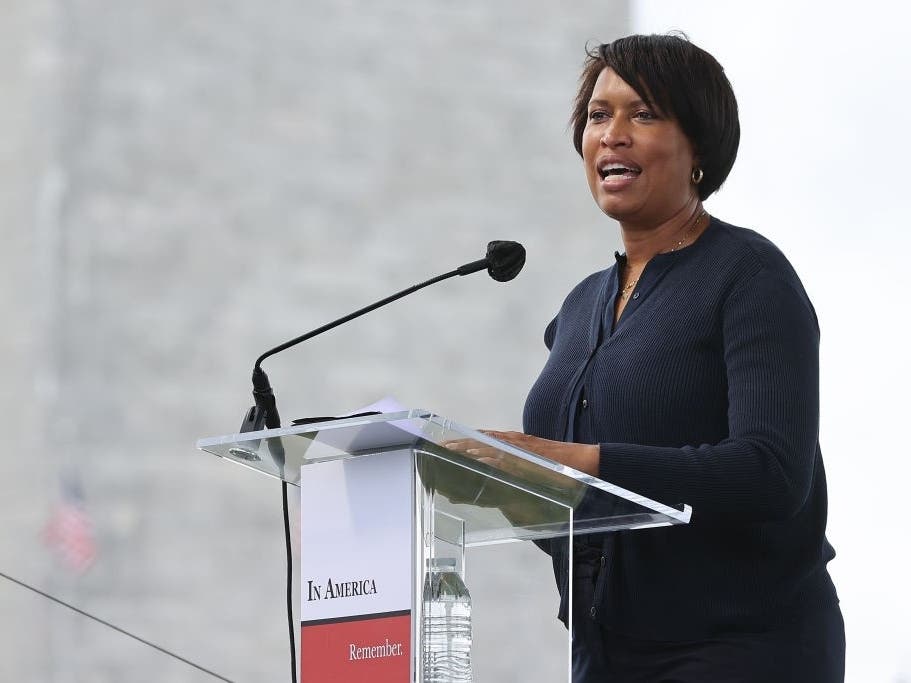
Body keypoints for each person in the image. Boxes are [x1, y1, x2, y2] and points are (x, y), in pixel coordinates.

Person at [475, 34, 844, 681]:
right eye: (597, 115)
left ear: (696, 146)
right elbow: (584, 512)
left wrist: (580, 463)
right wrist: (491, 478)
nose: (611, 134)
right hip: (604, 649)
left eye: (641, 114)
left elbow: (772, 473)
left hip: (742, 648)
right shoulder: (577, 308)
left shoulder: (748, 276)